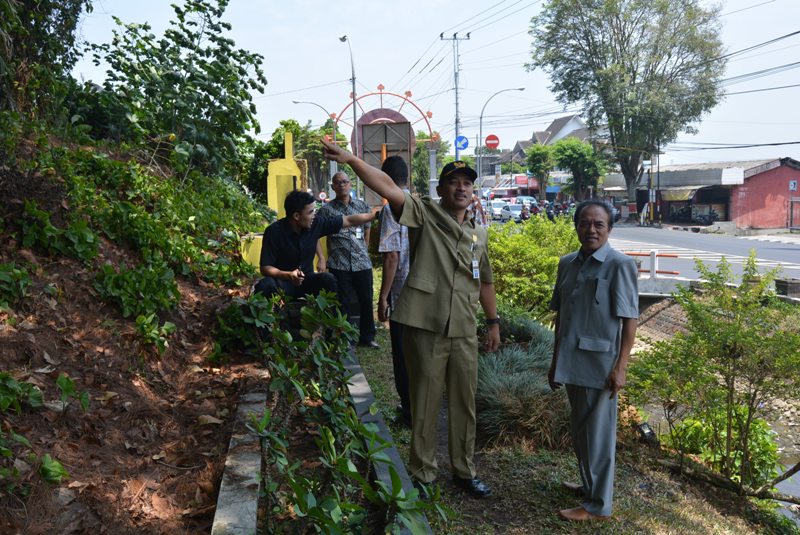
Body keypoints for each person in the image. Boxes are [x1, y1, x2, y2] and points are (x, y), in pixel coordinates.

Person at [322, 138, 501, 499]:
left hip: (464, 328)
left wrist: (493, 322)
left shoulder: (478, 235)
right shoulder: (425, 213)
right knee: (425, 400)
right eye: (454, 182)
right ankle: (423, 472)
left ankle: (464, 470)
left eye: (467, 182)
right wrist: (351, 159)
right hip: (427, 325)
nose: (462, 187)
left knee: (464, 403)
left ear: (473, 191)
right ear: (442, 189)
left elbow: (485, 280)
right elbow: (387, 186)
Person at [548, 199, 638, 522]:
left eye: (599, 224)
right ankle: (590, 485)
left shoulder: (619, 264)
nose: (591, 229)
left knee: (598, 435)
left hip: (600, 366)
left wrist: (621, 366)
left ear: (610, 229)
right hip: (571, 361)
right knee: (581, 430)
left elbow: (629, 320)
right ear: (575, 227)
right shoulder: (567, 263)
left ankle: (598, 506)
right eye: (585, 223)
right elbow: (562, 317)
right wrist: (555, 360)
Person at [255, 189, 377, 303]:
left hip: (307, 282)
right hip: (283, 283)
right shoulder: (274, 231)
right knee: (265, 285)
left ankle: (333, 323)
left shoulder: (316, 223)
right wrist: (288, 275)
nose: (314, 215)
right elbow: (265, 268)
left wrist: (376, 215)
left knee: (328, 279)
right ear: (296, 216)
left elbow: (349, 220)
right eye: (310, 212)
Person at [317, 171, 378, 348]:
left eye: (344, 181)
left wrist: (364, 250)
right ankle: (344, 338)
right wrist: (321, 257)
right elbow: (314, 235)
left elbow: (367, 228)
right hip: (339, 262)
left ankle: (367, 337)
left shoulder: (362, 206)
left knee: (366, 299)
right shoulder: (326, 211)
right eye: (338, 182)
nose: (342, 185)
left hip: (361, 262)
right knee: (341, 301)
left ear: (350, 184)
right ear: (332, 187)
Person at [376, 156, 412, 426]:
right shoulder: (420, 204)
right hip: (425, 292)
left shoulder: (392, 210)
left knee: (402, 354)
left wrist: (383, 296)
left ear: (385, 180)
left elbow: (392, 257)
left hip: (402, 294)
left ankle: (409, 410)